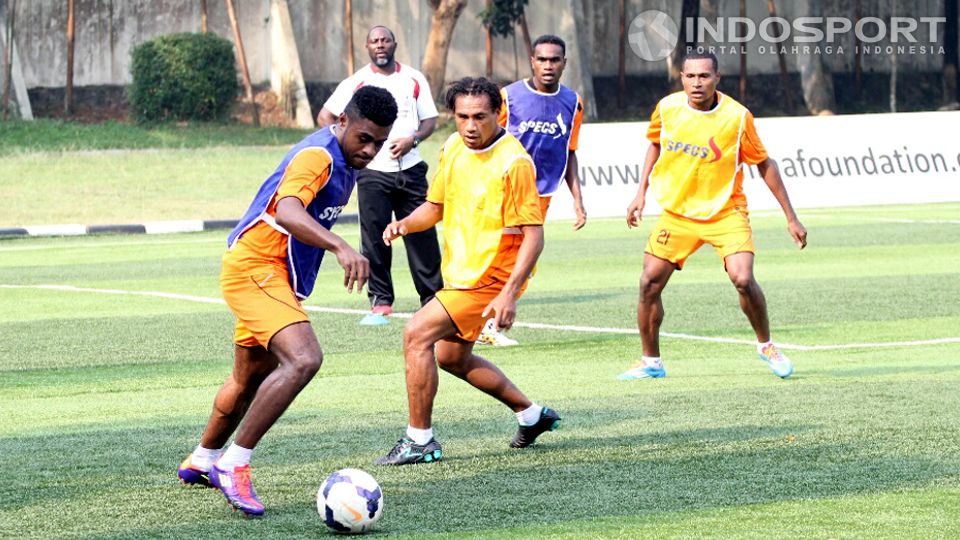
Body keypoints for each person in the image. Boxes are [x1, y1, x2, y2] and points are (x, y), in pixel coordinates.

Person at [177, 86, 397, 516]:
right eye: (364, 138)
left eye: (379, 143)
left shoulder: (346, 159)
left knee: (248, 378)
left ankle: (202, 459)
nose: (370, 151)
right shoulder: (318, 156)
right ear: (342, 122)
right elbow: (287, 212)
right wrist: (341, 246)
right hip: (256, 267)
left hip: (270, 274)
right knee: (304, 359)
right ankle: (233, 463)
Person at [375, 77, 561, 466]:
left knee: (416, 334)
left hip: (491, 278)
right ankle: (531, 415)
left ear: (498, 114)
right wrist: (404, 224)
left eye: (480, 117)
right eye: (462, 117)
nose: (471, 126)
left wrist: (509, 292)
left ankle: (420, 440)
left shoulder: (514, 162)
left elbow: (534, 235)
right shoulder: (453, 146)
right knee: (451, 357)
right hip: (460, 274)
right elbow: (435, 207)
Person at [618, 51, 807, 381]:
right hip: (678, 213)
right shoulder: (667, 108)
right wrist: (640, 193)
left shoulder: (737, 117)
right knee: (649, 283)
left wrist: (791, 217)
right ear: (682, 78)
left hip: (725, 212)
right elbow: (655, 144)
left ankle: (766, 345)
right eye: (690, 76)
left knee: (743, 279)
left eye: (704, 76)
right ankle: (651, 362)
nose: (697, 83)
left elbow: (764, 164)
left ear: (717, 78)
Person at [317, 25, 442, 323]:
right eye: (374, 41)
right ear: (368, 47)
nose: (380, 45)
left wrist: (413, 140)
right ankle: (381, 301)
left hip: (411, 169)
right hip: (373, 172)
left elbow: (430, 120)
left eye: (385, 40)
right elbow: (326, 116)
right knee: (374, 237)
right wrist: (347, 150)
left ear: (394, 44)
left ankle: (432, 298)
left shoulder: (414, 78)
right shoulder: (356, 82)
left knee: (421, 232)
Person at [477, 34, 586, 347]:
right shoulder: (508, 97)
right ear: (532, 62)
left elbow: (570, 151)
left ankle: (487, 323)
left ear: (564, 63)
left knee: (525, 263)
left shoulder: (573, 103)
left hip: (541, 195)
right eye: (542, 59)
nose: (548, 65)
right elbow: (484, 140)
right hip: (505, 190)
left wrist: (578, 200)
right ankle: (479, 321)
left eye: (554, 60)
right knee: (494, 256)